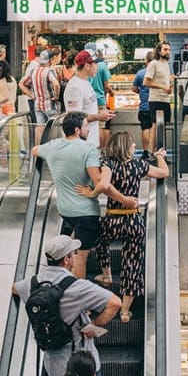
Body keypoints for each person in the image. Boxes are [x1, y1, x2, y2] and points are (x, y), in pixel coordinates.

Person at [33, 113, 134, 278]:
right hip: (85, 213)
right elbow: (102, 183)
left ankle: (64, 280)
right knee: (80, 257)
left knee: (74, 244)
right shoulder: (88, 149)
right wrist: (125, 200)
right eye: (87, 126)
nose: (89, 129)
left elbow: (34, 150)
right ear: (77, 130)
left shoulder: (53, 146)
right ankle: (79, 297)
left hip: (65, 211)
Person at [12, 235, 121, 376]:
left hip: (55, 368)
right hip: (83, 368)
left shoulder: (32, 284)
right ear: (66, 260)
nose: (76, 256)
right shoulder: (77, 287)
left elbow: (14, 288)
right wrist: (94, 325)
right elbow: (115, 303)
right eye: (74, 253)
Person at [84, 131, 168, 318]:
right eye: (132, 144)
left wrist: (92, 194)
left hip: (113, 217)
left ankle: (106, 273)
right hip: (134, 220)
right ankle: (124, 310)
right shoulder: (139, 165)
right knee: (133, 263)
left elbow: (104, 184)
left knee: (97, 239)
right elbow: (164, 173)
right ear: (125, 146)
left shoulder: (108, 163)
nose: (135, 147)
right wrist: (160, 157)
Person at [63, 50, 113, 146]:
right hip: (81, 145)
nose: (97, 68)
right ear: (87, 66)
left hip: (90, 142)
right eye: (96, 64)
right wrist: (99, 117)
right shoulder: (75, 87)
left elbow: (85, 110)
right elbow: (74, 118)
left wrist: (100, 113)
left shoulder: (85, 82)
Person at [20, 49, 61, 126]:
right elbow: (56, 84)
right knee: (53, 127)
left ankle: (38, 139)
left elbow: (21, 84)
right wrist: (56, 97)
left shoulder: (33, 71)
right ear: (49, 60)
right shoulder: (48, 71)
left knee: (40, 127)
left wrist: (32, 96)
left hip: (37, 104)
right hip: (49, 104)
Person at [146, 41, 174, 131]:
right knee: (155, 126)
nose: (168, 52)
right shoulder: (154, 63)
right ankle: (152, 146)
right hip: (156, 99)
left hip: (165, 99)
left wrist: (170, 85)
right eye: (165, 49)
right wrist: (163, 87)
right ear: (159, 51)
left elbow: (165, 81)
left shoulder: (166, 64)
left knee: (163, 126)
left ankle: (162, 145)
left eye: (169, 50)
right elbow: (146, 82)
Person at [133, 51, 154, 155]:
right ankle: (154, 151)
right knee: (155, 128)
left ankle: (145, 152)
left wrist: (141, 92)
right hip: (156, 105)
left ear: (146, 61)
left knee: (145, 128)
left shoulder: (140, 73)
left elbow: (134, 88)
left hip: (144, 106)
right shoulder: (157, 72)